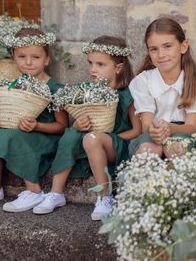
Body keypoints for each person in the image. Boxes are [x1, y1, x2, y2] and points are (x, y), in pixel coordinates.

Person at [0, 28, 68, 212]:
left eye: (36, 57)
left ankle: (34, 191)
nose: (28, 62)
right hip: (20, 132)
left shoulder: (55, 88)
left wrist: (37, 125)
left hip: (46, 137)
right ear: (13, 57)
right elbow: (8, 116)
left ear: (47, 59)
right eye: (22, 56)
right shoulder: (13, 86)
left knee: (16, 136)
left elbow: (62, 127)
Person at [33, 36, 141, 220]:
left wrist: (110, 138)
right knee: (73, 133)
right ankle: (56, 192)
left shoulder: (128, 93)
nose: (92, 70)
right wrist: (77, 124)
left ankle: (104, 197)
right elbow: (83, 122)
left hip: (117, 146)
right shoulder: (87, 92)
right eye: (90, 63)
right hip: (90, 142)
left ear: (118, 67)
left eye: (100, 64)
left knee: (91, 138)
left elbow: (137, 130)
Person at [128, 17, 196, 159]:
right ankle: (144, 180)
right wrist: (157, 131)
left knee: (175, 148)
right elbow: (146, 125)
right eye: (154, 49)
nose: (161, 55)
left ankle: (178, 181)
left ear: (183, 47)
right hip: (152, 132)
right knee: (148, 150)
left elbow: (191, 127)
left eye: (167, 46)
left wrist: (171, 128)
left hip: (183, 132)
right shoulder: (142, 81)